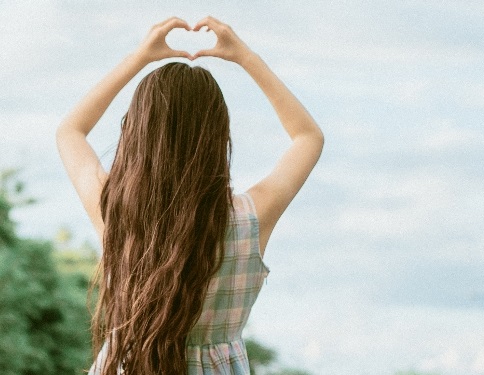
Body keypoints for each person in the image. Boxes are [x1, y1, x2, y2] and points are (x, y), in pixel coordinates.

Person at [56, 16, 324, 375]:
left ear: (136, 131)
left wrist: (139, 57)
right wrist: (245, 56)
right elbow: (308, 137)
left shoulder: (116, 209)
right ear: (217, 134)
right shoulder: (251, 217)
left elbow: (70, 131)